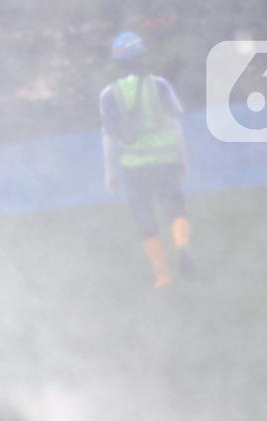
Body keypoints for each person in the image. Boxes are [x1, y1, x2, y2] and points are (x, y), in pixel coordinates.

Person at [100, 31, 196, 288]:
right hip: (165, 160)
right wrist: (182, 158)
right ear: (142, 58)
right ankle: (181, 245)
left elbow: (109, 137)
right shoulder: (160, 85)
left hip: (134, 168)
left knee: (145, 218)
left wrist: (110, 172)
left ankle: (163, 277)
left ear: (117, 63)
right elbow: (176, 125)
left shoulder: (109, 95)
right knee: (176, 208)